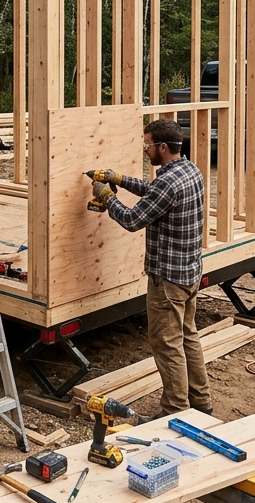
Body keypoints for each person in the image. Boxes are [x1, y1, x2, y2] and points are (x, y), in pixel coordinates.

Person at [90, 118, 211, 418]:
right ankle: (201, 403)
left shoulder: (168, 182)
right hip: (189, 272)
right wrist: (118, 179)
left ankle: (175, 410)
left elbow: (132, 220)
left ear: (163, 147)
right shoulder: (188, 169)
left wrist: (107, 197)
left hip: (167, 281)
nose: (145, 150)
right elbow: (153, 190)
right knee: (188, 337)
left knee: (167, 345)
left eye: (148, 146)